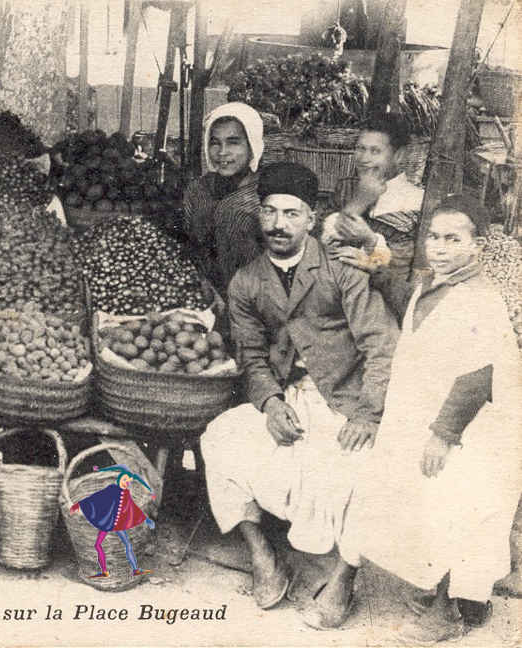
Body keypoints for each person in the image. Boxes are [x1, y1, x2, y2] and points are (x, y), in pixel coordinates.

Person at [199, 162, 398, 627]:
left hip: (348, 398)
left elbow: (380, 344)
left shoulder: (340, 268)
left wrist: (369, 415)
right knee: (222, 436)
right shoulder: (247, 281)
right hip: (290, 399)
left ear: (311, 219)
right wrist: (270, 404)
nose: (277, 224)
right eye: (269, 212)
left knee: (362, 468)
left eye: (291, 213)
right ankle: (263, 554)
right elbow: (250, 357)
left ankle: (344, 578)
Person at [338, 195, 522, 643]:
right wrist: (375, 266)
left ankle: (443, 606)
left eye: (453, 239)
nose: (439, 247)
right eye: (434, 238)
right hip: (418, 414)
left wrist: (443, 435)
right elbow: (410, 302)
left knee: (450, 508)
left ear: (477, 245)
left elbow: (477, 377)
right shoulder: (430, 284)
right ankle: (365, 582)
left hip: (467, 428)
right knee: (389, 491)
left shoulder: (481, 299)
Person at [321, 113, 424, 312]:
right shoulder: (345, 187)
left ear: (399, 155)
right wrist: (360, 201)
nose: (364, 159)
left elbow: (400, 269)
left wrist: (370, 240)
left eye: (375, 151)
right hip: (334, 294)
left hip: (383, 304)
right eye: (360, 149)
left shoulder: (415, 200)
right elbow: (321, 242)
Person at [181, 102, 266, 299]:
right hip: (204, 299)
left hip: (255, 304)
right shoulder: (198, 190)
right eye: (214, 142)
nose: (222, 152)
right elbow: (189, 244)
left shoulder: (266, 194)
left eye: (233, 142)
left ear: (252, 144)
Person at [69, 464, 157, 578]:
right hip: (108, 522)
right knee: (98, 545)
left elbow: (133, 508)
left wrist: (147, 519)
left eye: (128, 481)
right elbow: (97, 497)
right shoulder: (112, 489)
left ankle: (135, 569)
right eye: (125, 479)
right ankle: (104, 571)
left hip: (118, 524)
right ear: (120, 478)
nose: (126, 483)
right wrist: (79, 504)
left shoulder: (126, 494)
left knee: (127, 544)